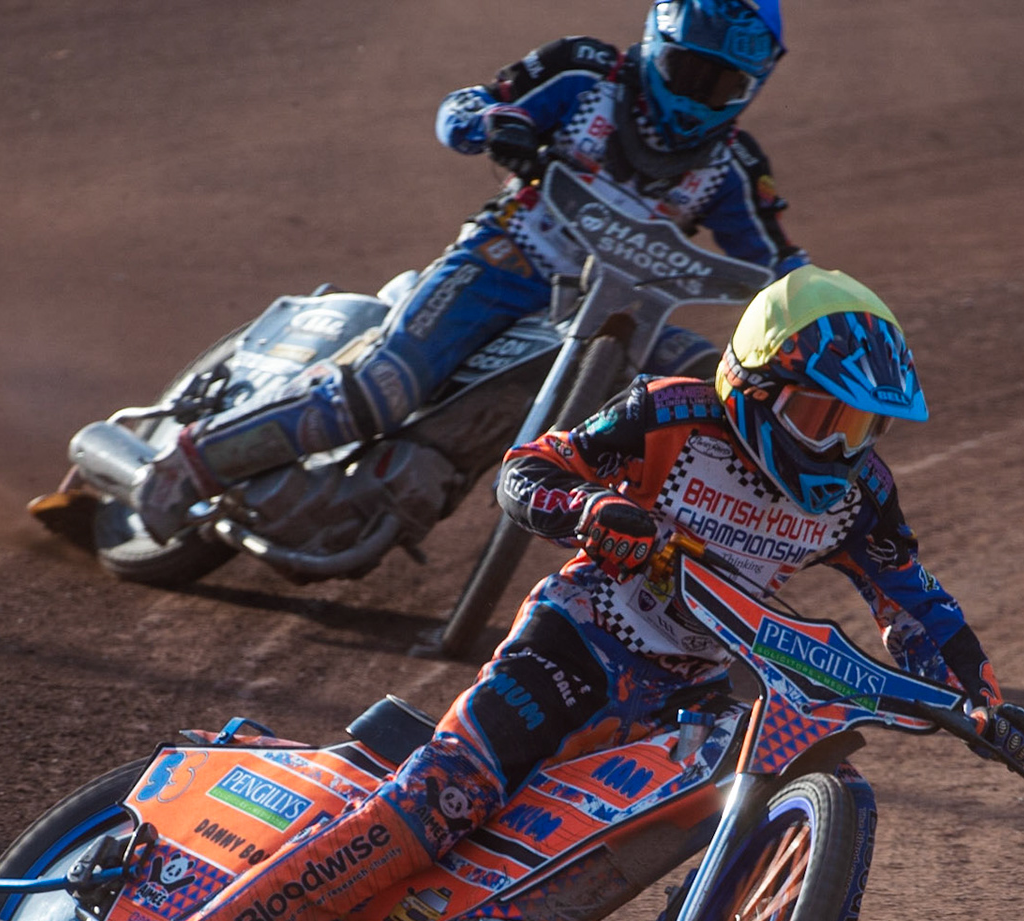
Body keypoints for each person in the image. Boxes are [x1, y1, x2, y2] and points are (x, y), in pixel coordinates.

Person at [83, 267, 1024, 921]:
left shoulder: (861, 494)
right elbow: (528, 471)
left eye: (862, 424)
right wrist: (587, 512)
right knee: (444, 799)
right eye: (820, 413)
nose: (838, 444)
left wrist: (979, 699)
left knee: (828, 804)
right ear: (754, 385)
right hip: (577, 641)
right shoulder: (673, 411)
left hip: (690, 689)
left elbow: (918, 607)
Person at [119, 0, 808, 543]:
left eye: (724, 83)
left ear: (753, 86)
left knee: (705, 393)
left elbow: (780, 266)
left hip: (619, 314)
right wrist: (495, 125)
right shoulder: (585, 73)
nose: (700, 96)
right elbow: (465, 107)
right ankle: (186, 465)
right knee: (383, 390)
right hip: (504, 261)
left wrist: (819, 316)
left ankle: (666, 578)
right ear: (658, 43)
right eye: (689, 71)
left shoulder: (734, 166)